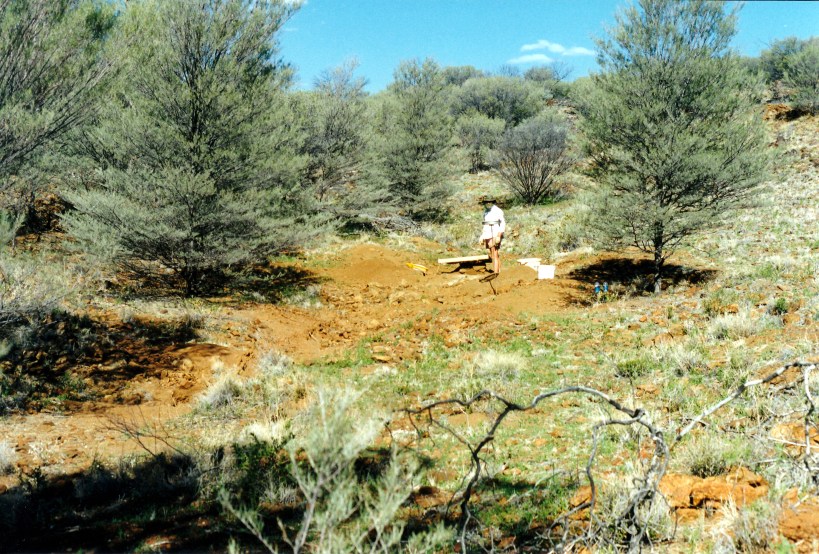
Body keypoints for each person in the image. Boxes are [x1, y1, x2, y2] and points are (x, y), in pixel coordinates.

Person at [478, 195, 505, 275]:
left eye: (489, 202)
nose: (488, 203)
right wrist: (482, 236)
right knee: (492, 253)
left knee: (495, 252)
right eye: (486, 202)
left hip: (495, 232)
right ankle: (498, 271)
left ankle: (496, 273)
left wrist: (499, 235)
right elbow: (485, 225)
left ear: (492, 202)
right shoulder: (486, 212)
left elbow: (502, 223)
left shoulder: (498, 211)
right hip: (488, 234)